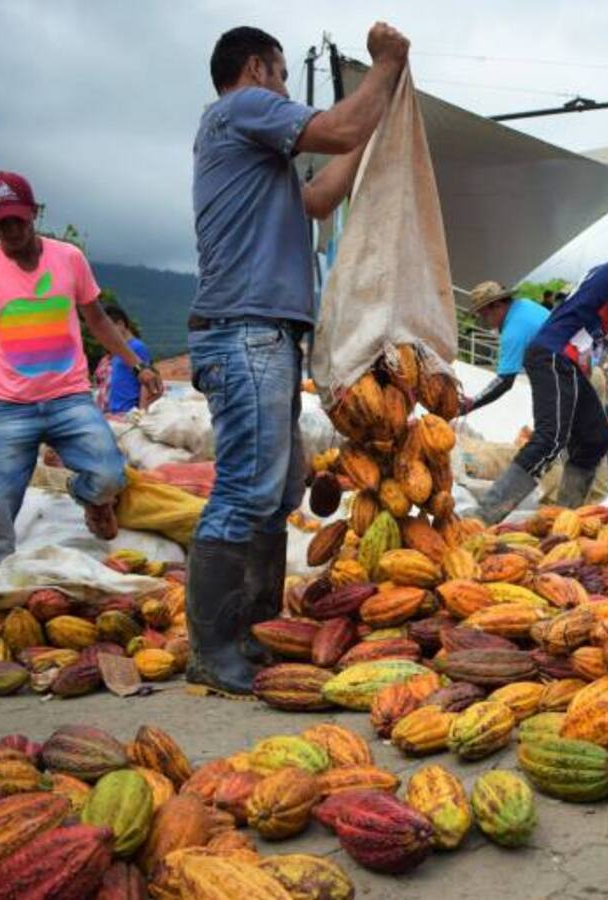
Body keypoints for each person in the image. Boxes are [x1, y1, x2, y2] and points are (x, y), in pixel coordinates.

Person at [187, 22, 410, 695]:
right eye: (283, 75)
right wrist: (387, 64)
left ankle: (253, 631)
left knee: (277, 490)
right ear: (257, 68)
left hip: (267, 333)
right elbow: (336, 130)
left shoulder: (260, 158)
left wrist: (372, 129)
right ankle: (213, 647)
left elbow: (319, 198)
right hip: (245, 329)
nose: (286, 90)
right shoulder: (241, 108)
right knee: (246, 488)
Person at [0, 171, 164, 564]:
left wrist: (140, 368)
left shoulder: (68, 258)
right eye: (2, 223)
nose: (12, 229)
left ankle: (86, 497)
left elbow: (98, 321)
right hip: (7, 406)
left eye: (18, 218)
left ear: (34, 212)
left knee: (108, 477)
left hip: (69, 398)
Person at [473, 236, 608, 523]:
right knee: (550, 439)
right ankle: (482, 517)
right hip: (553, 356)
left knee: (597, 438)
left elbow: (580, 317)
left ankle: (565, 518)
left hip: (562, 358)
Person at [459, 281, 549, 415]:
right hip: (571, 367)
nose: (485, 321)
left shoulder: (514, 330)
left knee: (547, 428)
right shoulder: (525, 305)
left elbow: (504, 381)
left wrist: (471, 403)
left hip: (562, 375)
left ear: (497, 305)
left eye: (484, 315)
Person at [102, 306, 153, 414]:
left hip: (129, 409)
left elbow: (146, 380)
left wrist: (142, 410)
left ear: (121, 324)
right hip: (114, 409)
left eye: (109, 328)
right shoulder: (118, 349)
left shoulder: (137, 347)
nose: (107, 333)